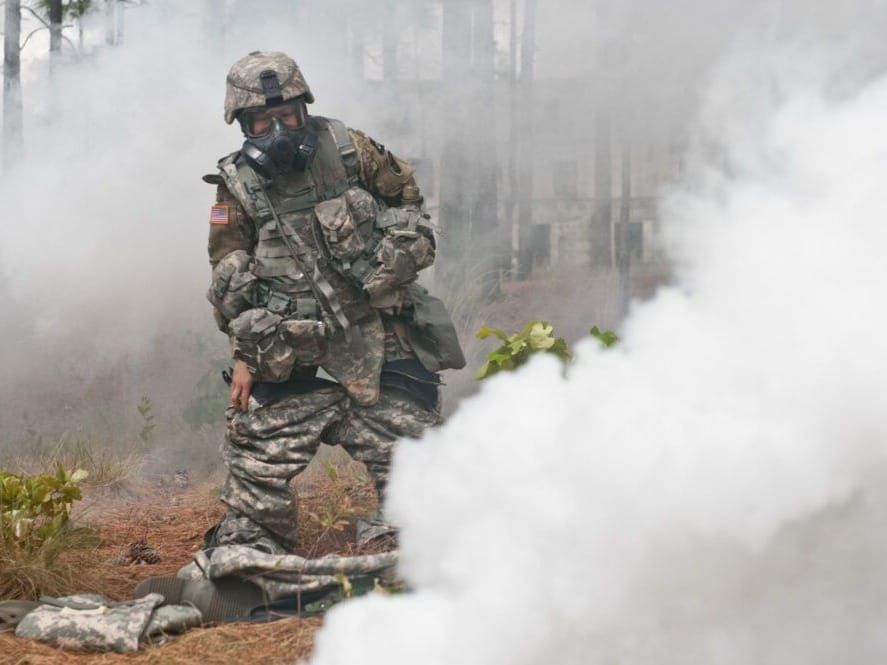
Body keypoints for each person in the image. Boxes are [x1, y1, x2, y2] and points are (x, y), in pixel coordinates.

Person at [204, 51, 465, 555]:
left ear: (304, 109)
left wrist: (388, 258)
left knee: (413, 445)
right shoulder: (235, 185)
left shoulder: (350, 150)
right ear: (242, 124)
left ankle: (411, 522)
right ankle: (257, 537)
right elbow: (227, 272)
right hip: (290, 339)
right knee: (256, 444)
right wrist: (246, 352)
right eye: (262, 120)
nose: (278, 130)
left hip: (378, 327)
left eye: (287, 116)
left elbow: (411, 210)